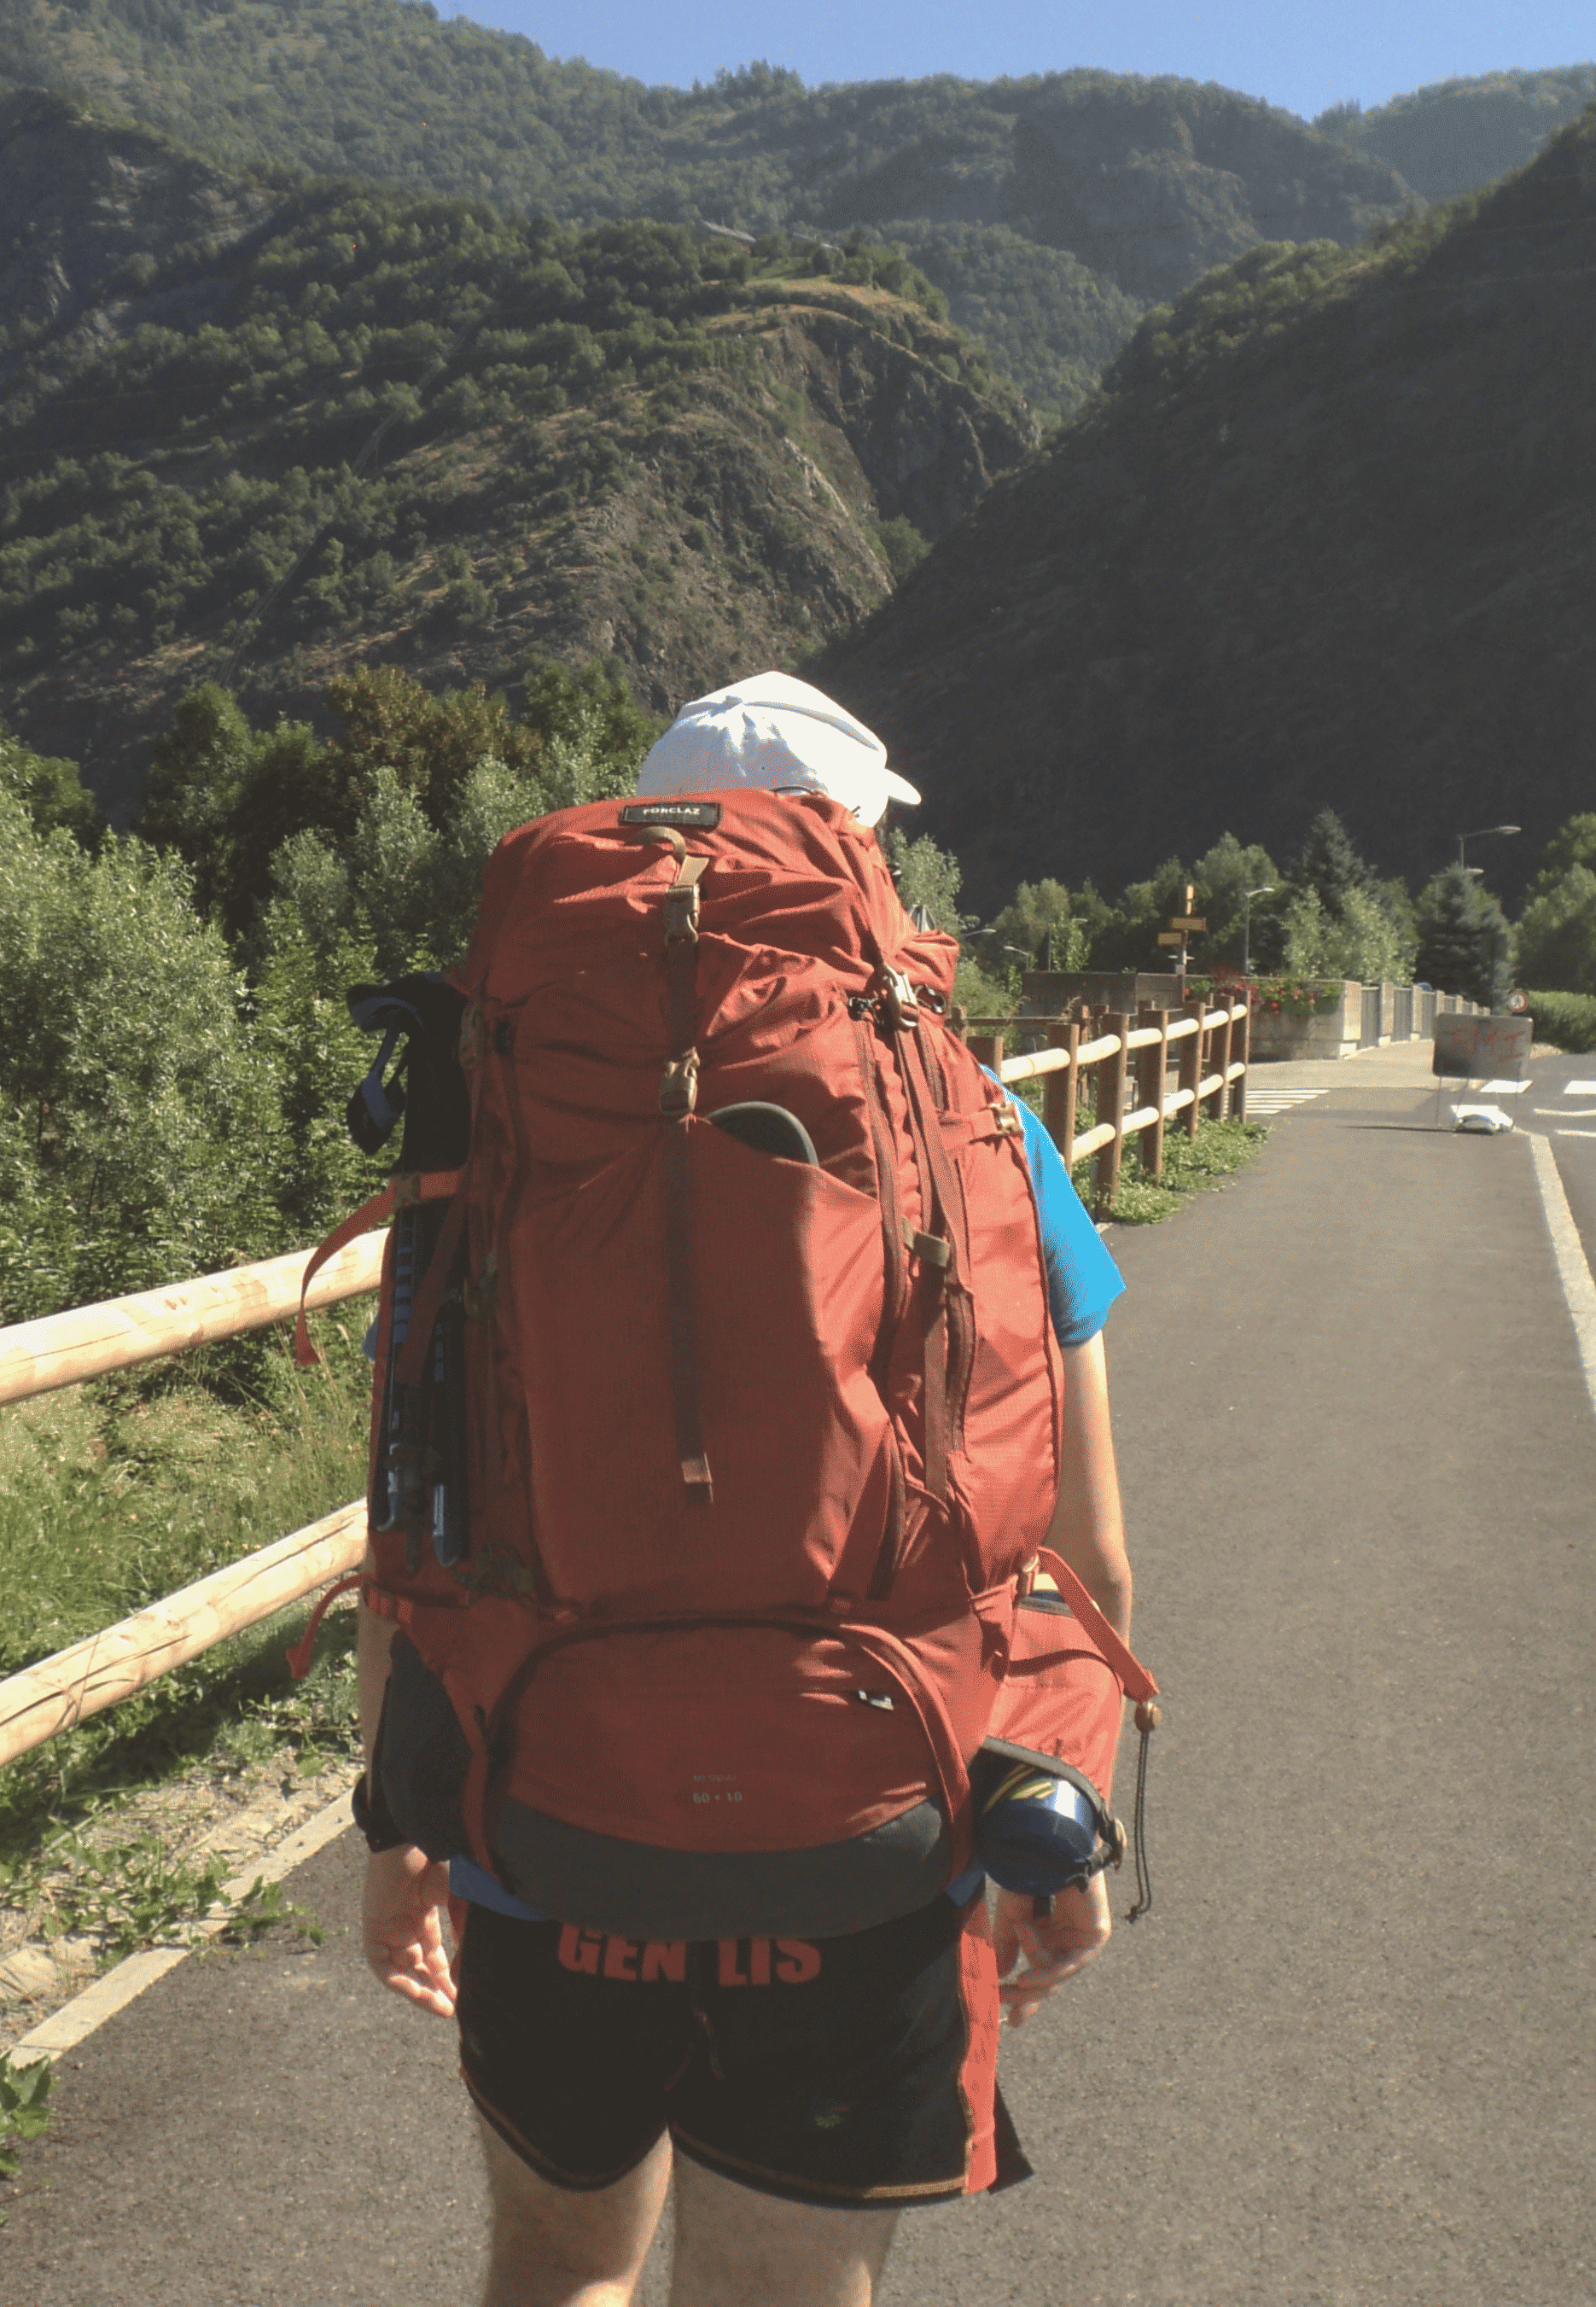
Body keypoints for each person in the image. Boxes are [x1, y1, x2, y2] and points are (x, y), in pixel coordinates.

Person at [357, 672, 1138, 2307]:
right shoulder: (982, 1125)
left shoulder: (503, 1113)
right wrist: (1058, 1827)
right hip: (868, 1821)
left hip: (544, 1810)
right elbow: (1083, 1551)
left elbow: (424, 1497)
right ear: (848, 856)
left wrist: (399, 1824)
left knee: (561, 2263)